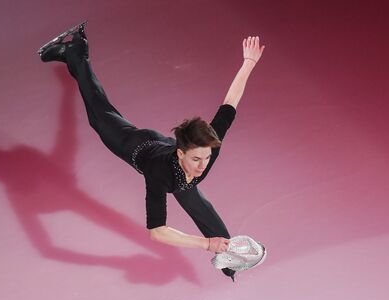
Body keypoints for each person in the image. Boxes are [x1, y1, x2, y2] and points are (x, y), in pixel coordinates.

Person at [39, 23, 264, 260]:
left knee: (196, 203)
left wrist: (249, 62)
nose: (202, 166)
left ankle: (230, 261)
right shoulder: (159, 174)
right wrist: (206, 243)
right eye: (196, 159)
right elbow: (157, 232)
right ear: (181, 153)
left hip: (163, 145)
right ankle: (76, 49)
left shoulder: (207, 146)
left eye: (206, 158)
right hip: (134, 144)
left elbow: (229, 105)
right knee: (99, 113)